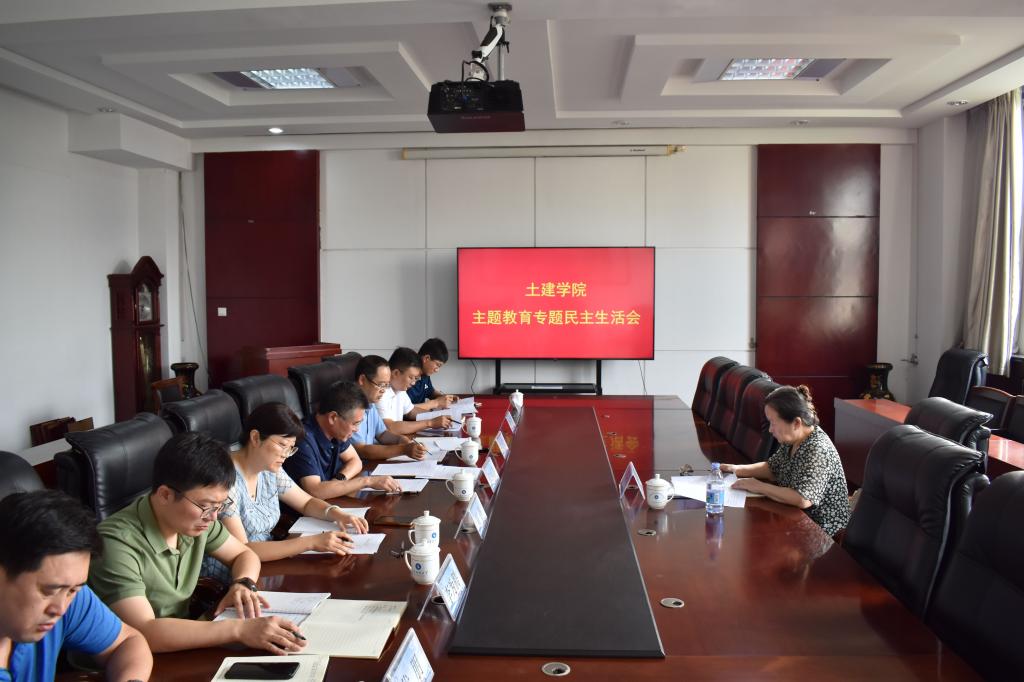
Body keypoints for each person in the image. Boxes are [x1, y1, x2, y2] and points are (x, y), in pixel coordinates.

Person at [88, 432, 305, 654]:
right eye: (206, 506)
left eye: (220, 506)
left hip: (183, 644)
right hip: (126, 660)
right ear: (165, 495)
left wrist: (243, 583)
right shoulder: (115, 543)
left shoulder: (194, 519)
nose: (213, 517)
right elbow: (144, 631)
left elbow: (244, 554)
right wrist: (239, 630)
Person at [202, 403, 371, 583]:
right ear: (255, 437)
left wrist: (338, 514)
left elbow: (306, 503)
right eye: (282, 445)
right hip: (234, 579)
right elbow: (243, 549)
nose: (286, 454)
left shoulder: (269, 468)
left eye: (291, 448)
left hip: (269, 566)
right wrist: (311, 542)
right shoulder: (226, 479)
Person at [0, 490, 152, 682]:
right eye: (48, 591)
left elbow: (128, 642)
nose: (61, 609)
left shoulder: (68, 596)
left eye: (73, 590)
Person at [722, 385, 850, 538]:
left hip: (823, 533)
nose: (770, 429)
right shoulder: (793, 439)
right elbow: (772, 468)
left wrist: (759, 486)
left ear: (796, 423)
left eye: (773, 422)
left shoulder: (818, 448)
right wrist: (736, 469)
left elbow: (803, 499)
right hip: (796, 519)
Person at [283, 380, 401, 497]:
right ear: (333, 417)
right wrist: (367, 481)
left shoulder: (335, 431)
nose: (356, 430)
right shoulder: (303, 439)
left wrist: (338, 480)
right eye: (355, 423)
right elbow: (315, 491)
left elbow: (355, 461)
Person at [350, 355, 428, 461]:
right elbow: (362, 450)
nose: (384, 390)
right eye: (381, 384)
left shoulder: (370, 403)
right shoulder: (350, 406)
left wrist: (402, 440)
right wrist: (403, 449)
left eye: (386, 385)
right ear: (362, 380)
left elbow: (382, 434)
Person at [379, 347, 452, 435]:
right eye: (411, 377)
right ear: (396, 373)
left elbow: (411, 411)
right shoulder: (380, 392)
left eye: (415, 378)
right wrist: (430, 423)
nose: (413, 383)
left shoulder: (400, 389)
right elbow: (390, 427)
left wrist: (438, 417)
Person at [406, 338, 458, 408]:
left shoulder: (425, 374)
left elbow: (431, 392)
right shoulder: (407, 376)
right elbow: (406, 409)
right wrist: (436, 403)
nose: (437, 370)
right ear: (426, 358)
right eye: (438, 365)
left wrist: (446, 398)